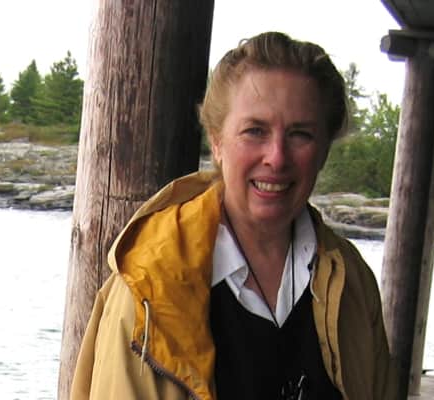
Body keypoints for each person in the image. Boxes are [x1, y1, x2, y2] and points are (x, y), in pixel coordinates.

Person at [70, 31, 392, 400]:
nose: (277, 157)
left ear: (324, 151)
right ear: (217, 141)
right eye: (255, 131)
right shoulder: (148, 287)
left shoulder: (351, 281)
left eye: (300, 134)